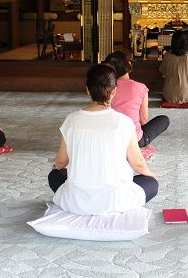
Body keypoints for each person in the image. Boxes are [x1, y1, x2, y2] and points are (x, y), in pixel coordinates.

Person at [48, 64, 158, 215]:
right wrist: (152, 176)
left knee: (54, 175)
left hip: (76, 202)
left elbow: (61, 162)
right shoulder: (124, 122)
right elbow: (138, 164)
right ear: (114, 91)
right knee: (151, 184)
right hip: (115, 201)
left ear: (87, 90)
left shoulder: (71, 120)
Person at [103, 51, 169, 147]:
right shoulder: (140, 87)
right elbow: (143, 120)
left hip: (111, 139)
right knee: (164, 119)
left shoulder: (105, 89)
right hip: (135, 142)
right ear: (128, 65)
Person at [159, 30, 188, 104]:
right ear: (187, 42)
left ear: (173, 42)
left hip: (168, 95)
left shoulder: (167, 56)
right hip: (186, 94)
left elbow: (163, 72)